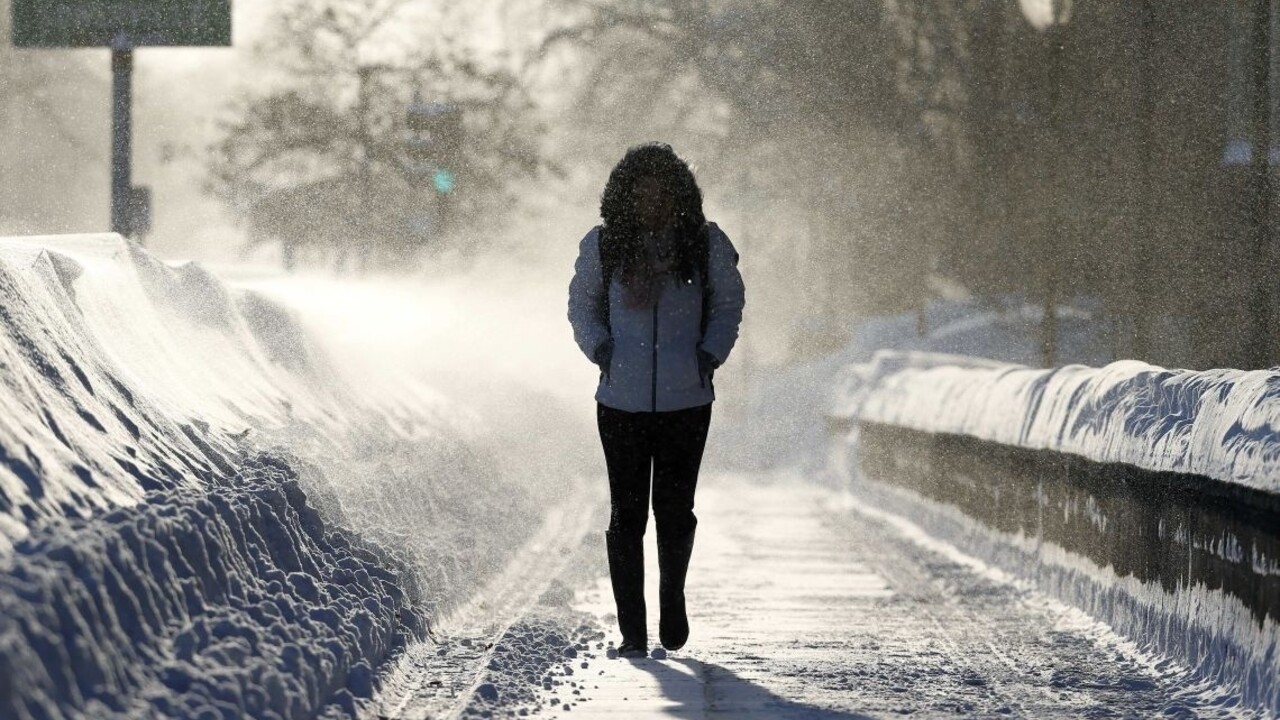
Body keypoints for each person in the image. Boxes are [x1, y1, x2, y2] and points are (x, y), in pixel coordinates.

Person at [567, 142, 746, 658]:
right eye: (640, 192)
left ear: (679, 197)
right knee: (627, 514)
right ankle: (632, 633)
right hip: (619, 402)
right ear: (623, 197)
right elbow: (581, 305)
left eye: (662, 192)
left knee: (674, 509)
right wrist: (600, 348)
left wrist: (709, 355)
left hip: (686, 402)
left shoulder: (705, 246)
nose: (651, 202)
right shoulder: (604, 247)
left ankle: (672, 595)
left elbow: (728, 303)